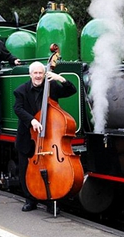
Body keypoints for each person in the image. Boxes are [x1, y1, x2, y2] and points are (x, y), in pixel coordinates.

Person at [13, 61, 77, 213]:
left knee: (50, 169)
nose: (38, 76)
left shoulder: (52, 86)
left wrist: (60, 78)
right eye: (35, 73)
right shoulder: (20, 90)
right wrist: (32, 120)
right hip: (29, 135)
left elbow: (71, 91)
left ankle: (50, 200)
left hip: (49, 136)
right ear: (30, 75)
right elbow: (18, 108)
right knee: (26, 169)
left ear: (44, 74)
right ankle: (30, 200)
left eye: (40, 73)